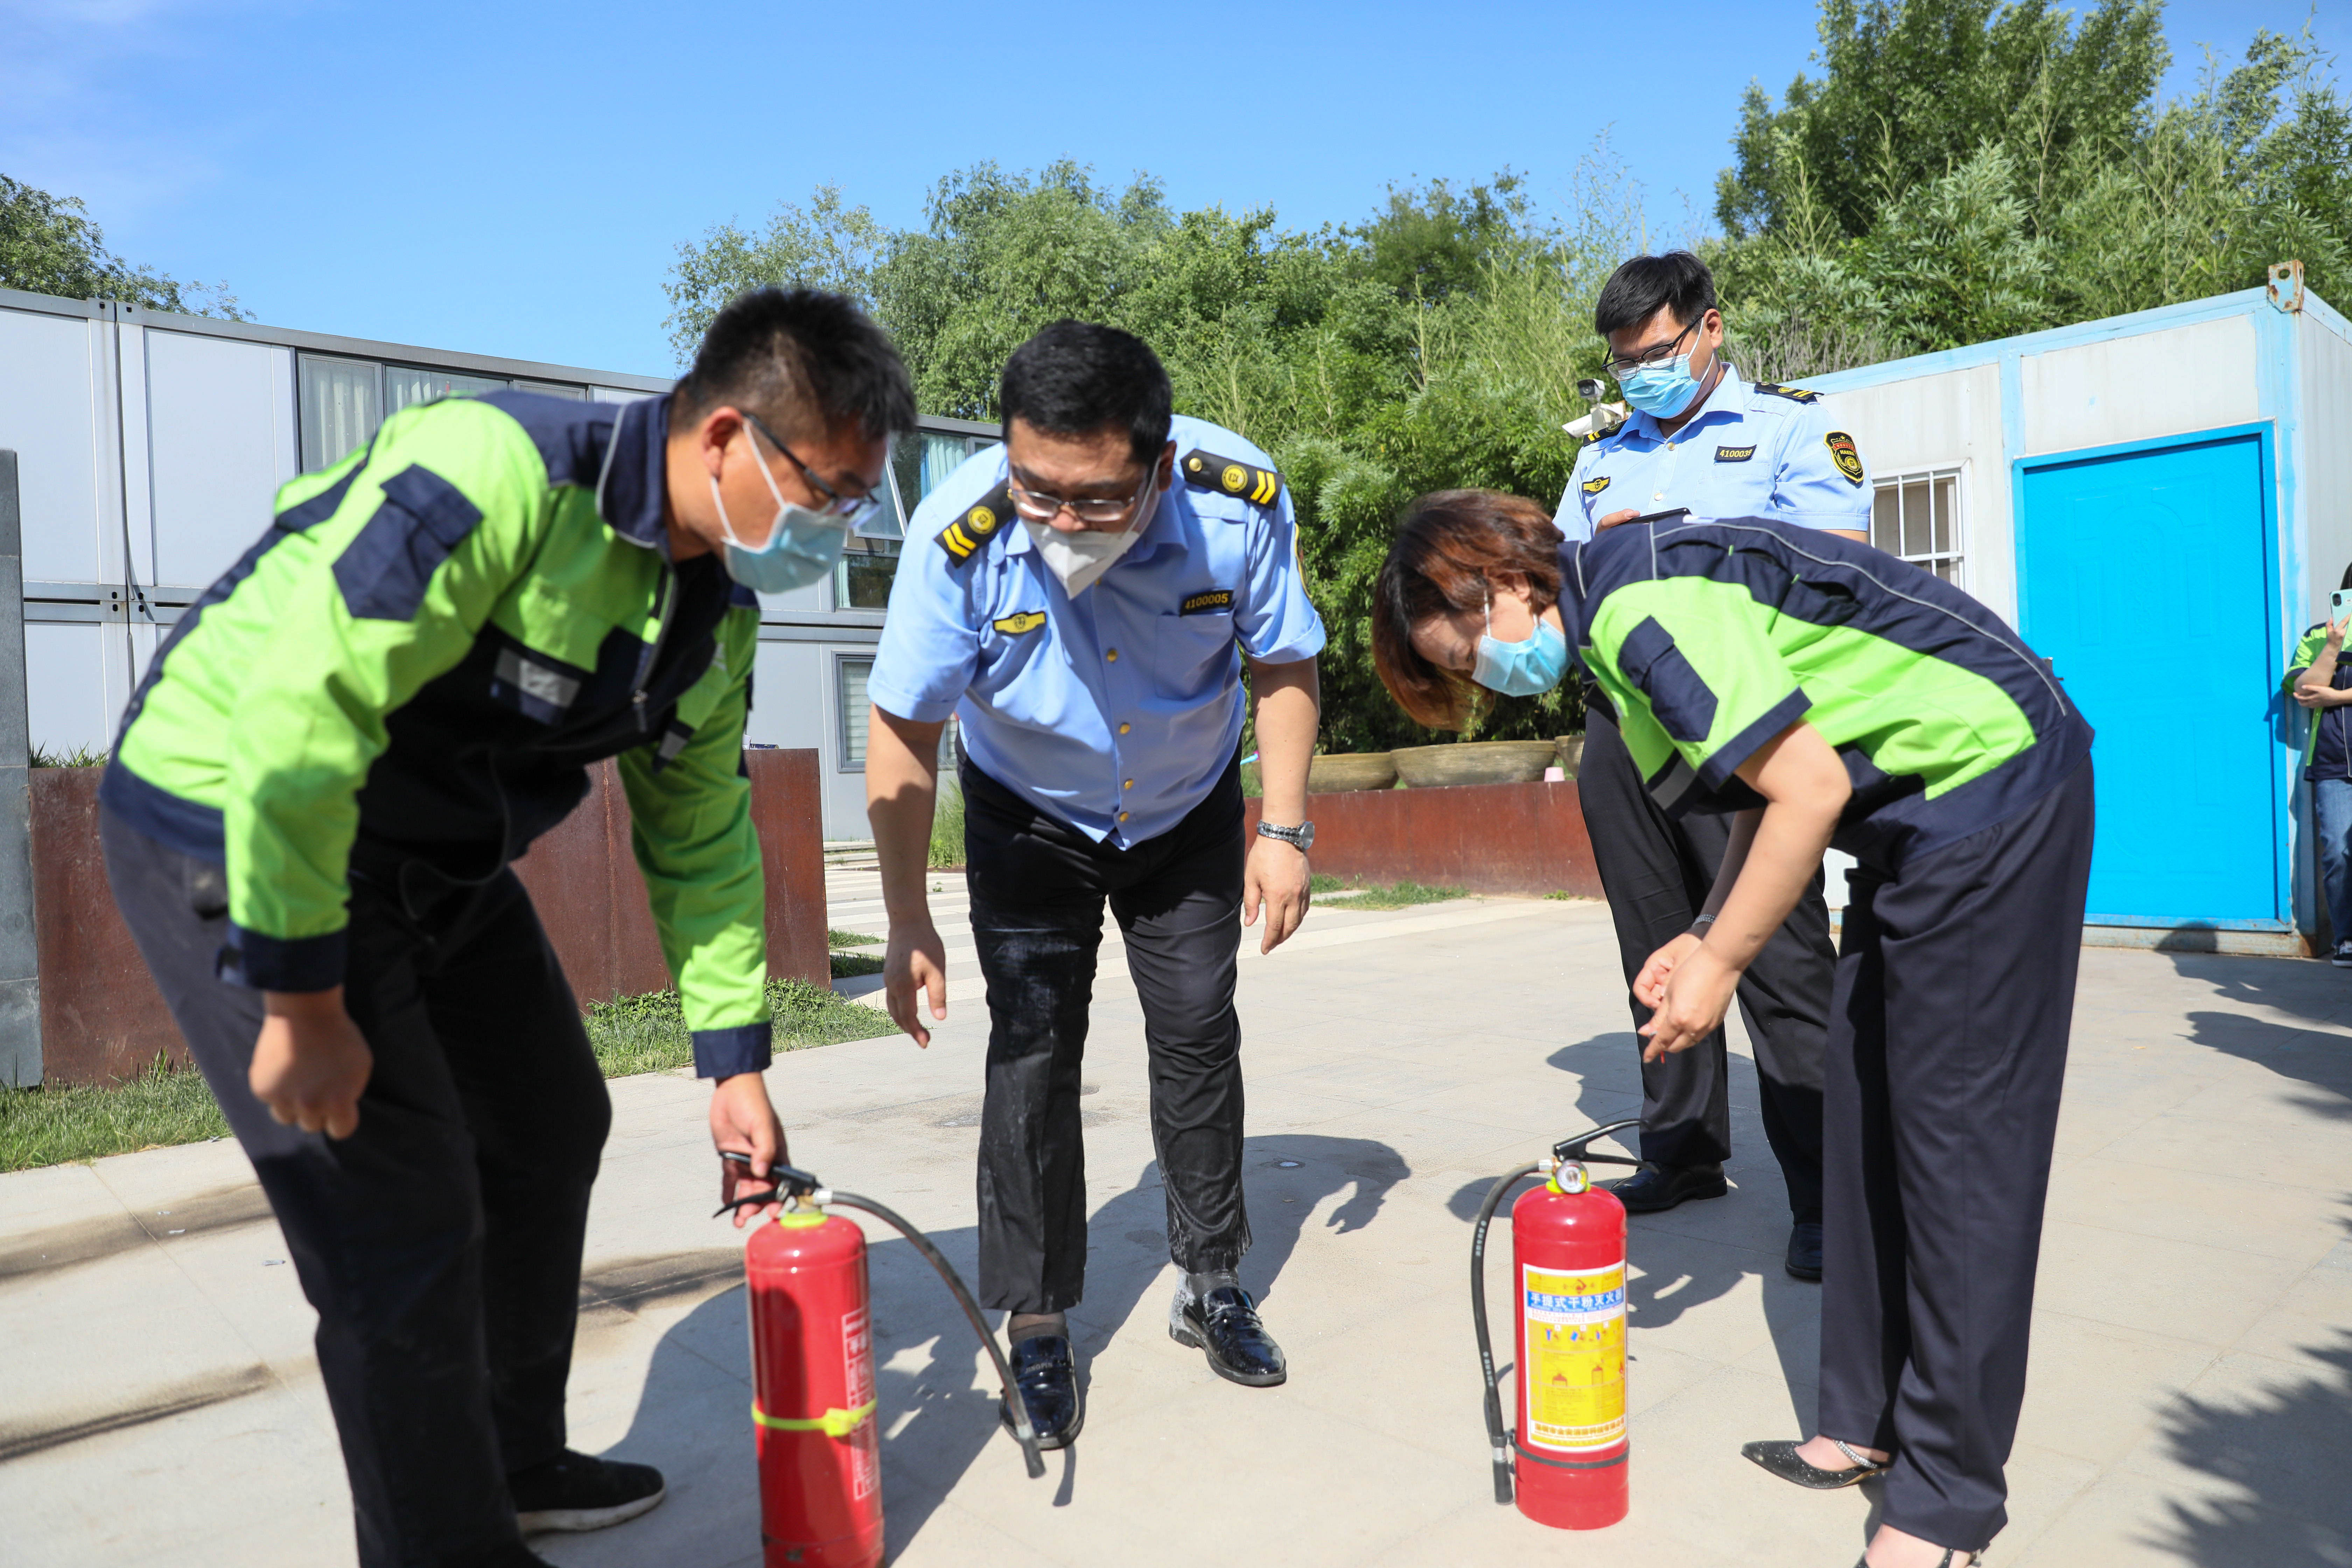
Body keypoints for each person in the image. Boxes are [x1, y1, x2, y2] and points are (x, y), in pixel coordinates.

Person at [99, 287, 913, 1568]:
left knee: (547, 1122)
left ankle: (509, 1456)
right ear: (720, 438)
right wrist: (304, 998)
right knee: (397, 1228)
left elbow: (697, 836)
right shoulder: (493, 473)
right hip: (229, 816)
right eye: (830, 489)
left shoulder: (714, 620)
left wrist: (733, 1060)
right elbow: (300, 710)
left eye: (860, 499)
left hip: (429, 859)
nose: (838, 526)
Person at [1370, 492, 2094, 1568]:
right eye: (1464, 670)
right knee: (1860, 1114)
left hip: (1989, 783)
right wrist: (1704, 924)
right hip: (1911, 826)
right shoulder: (1618, 641)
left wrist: (1720, 963)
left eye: (1471, 642)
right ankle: (1862, 1420)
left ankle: (1945, 1505)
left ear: (1509, 579)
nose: (1483, 670)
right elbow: (1772, 771)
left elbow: (1809, 785)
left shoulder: (1637, 604)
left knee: (1956, 1150)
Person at [863, 320, 1325, 1448]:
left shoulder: (1235, 499)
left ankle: (1211, 1279)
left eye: (1096, 498)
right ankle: (1035, 1318)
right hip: (1031, 811)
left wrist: (1286, 827)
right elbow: (903, 725)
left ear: (1157, 466)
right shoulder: (958, 532)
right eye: (1038, 490)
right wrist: (904, 914)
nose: (1062, 520)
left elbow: (1283, 659)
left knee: (1194, 1027)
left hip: (1186, 805)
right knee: (1029, 1048)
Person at [1552, 250, 1871, 1280]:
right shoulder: (1601, 457)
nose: (1640, 373)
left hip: (1746, 721)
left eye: (1654, 353)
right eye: (1622, 362)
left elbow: (1836, 566)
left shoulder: (1788, 429)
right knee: (1652, 944)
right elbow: (1563, 574)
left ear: (1708, 329)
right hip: (1622, 724)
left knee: (1775, 954)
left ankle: (1825, 1192)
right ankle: (1679, 1149)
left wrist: (1673, 550)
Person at [2284, 573, 2352, 965]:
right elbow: (2304, 691)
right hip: (2332, 763)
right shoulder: (2318, 635)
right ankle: (2346, 938)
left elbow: (2325, 695)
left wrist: (2339, 695)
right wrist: (2332, 647)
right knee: (2339, 852)